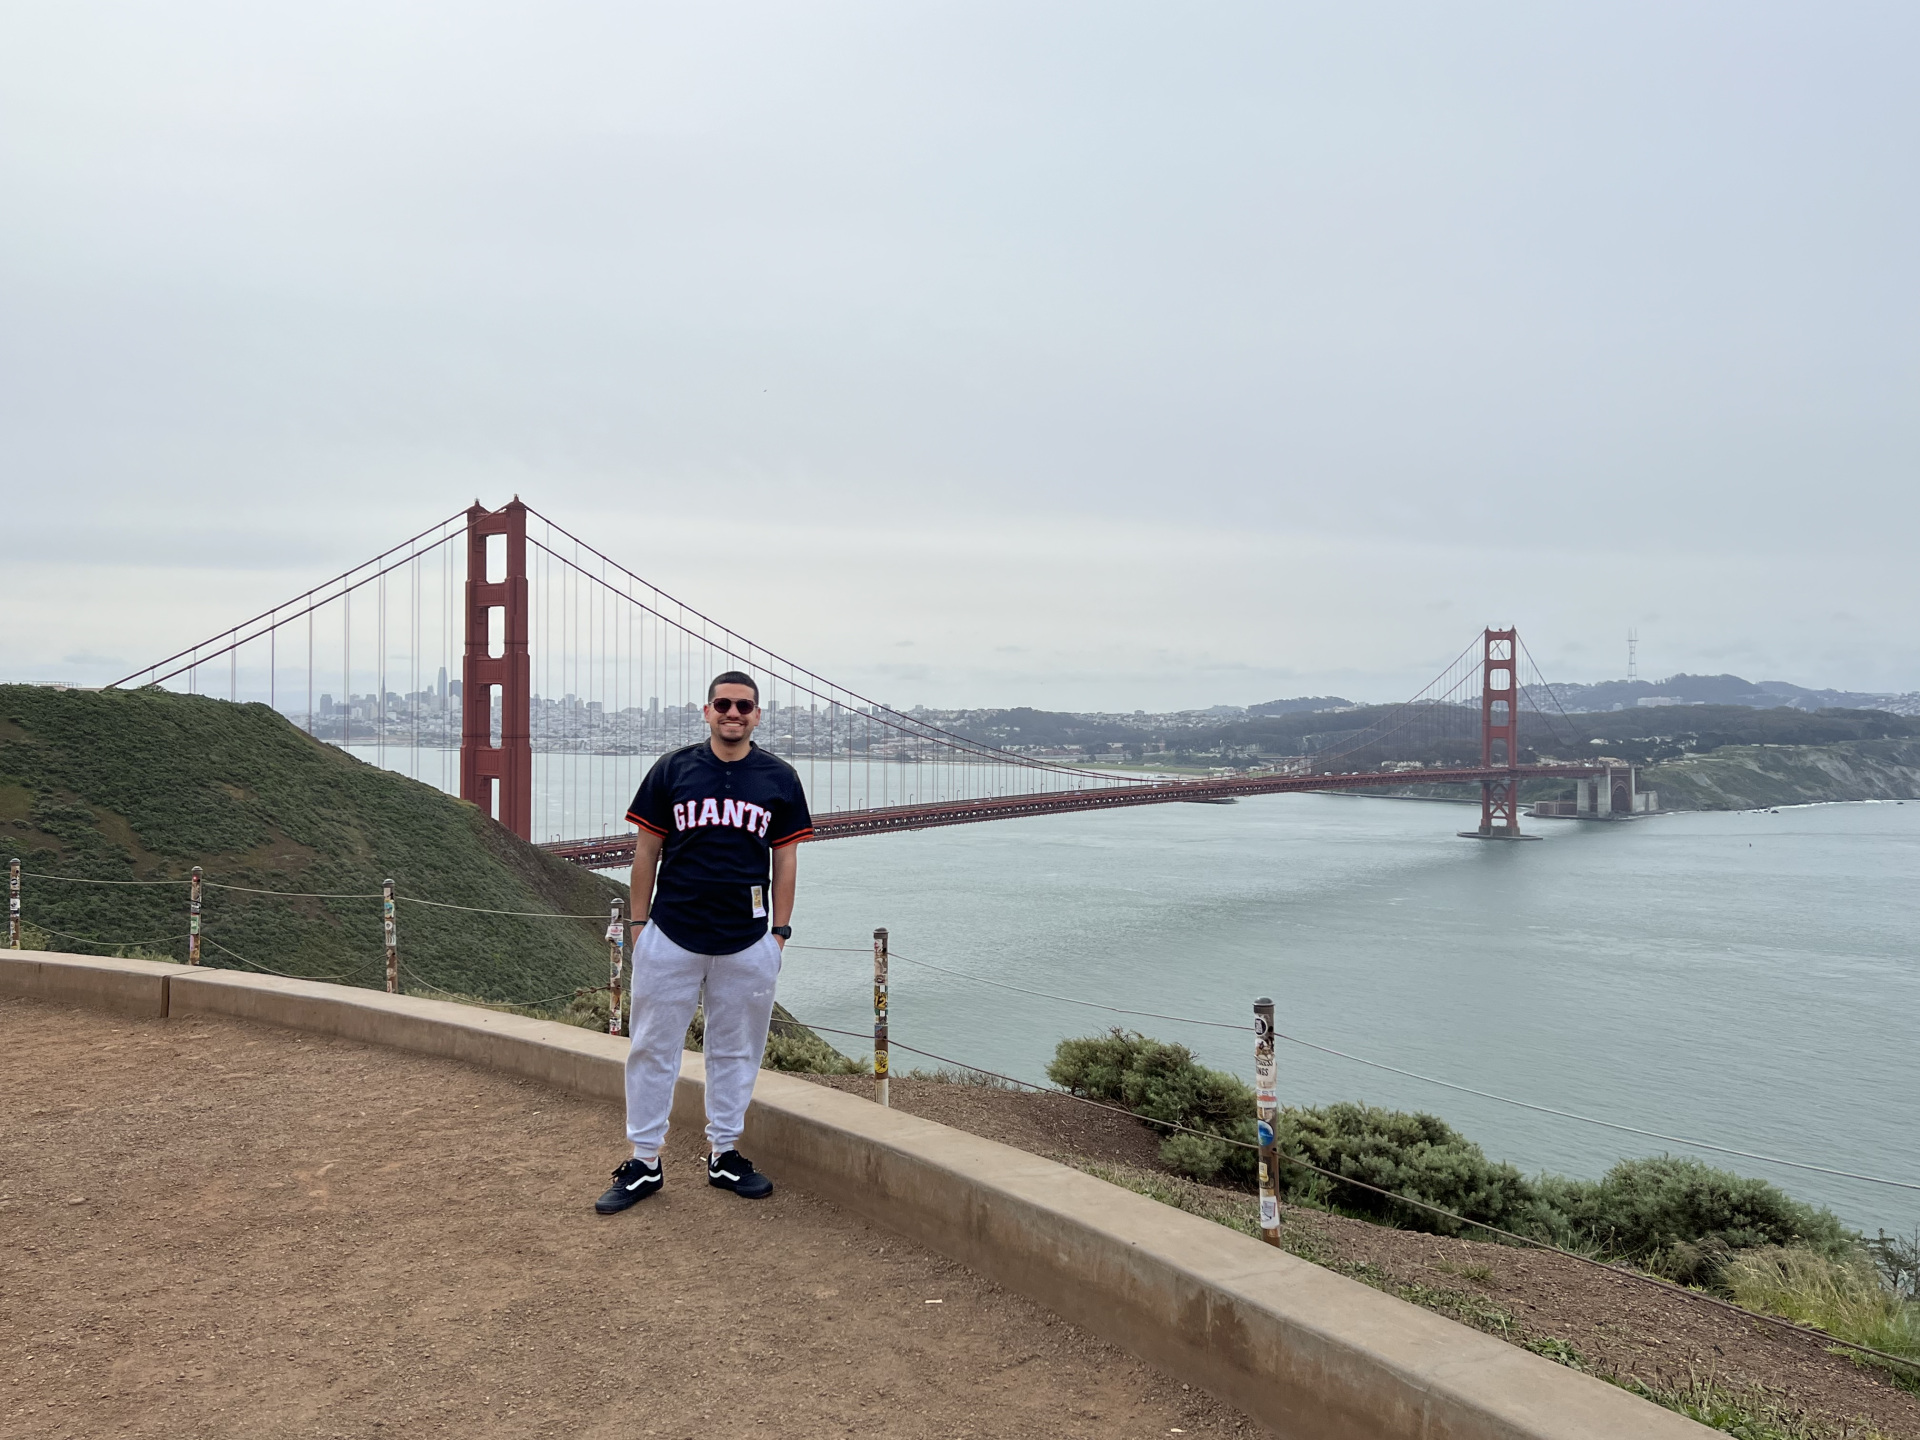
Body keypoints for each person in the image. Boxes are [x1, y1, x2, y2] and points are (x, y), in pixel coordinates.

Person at [595, 670, 812, 1214]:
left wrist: (779, 934)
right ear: (707, 710)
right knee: (651, 1048)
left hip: (747, 940)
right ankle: (644, 1161)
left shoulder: (780, 777)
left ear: (758, 715)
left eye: (744, 706)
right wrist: (640, 927)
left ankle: (724, 1153)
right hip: (671, 933)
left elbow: (785, 860)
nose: (733, 713)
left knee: (735, 1050)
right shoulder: (672, 769)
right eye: (724, 704)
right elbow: (646, 852)